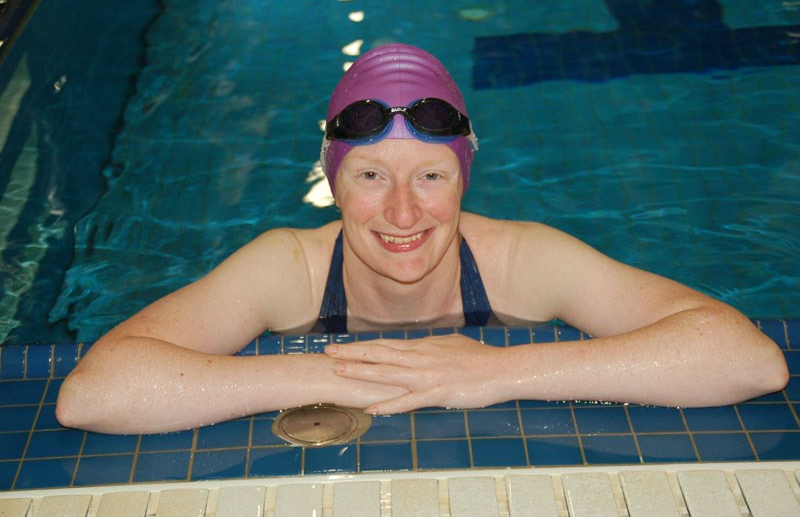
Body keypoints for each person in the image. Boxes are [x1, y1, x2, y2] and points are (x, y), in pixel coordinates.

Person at [56, 44, 788, 435]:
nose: (403, 213)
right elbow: (95, 393)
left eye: (431, 177)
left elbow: (745, 358)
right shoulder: (288, 268)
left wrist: (494, 374)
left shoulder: (523, 259)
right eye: (372, 174)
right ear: (333, 182)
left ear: (465, 179)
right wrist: (348, 379)